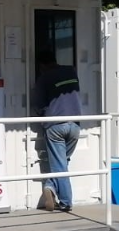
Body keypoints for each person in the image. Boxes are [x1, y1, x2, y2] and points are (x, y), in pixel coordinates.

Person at [33, 50, 82, 212]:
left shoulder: (44, 78)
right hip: (75, 125)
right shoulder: (71, 71)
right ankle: (50, 187)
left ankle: (66, 201)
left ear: (41, 65)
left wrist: (43, 114)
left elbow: (38, 105)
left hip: (55, 126)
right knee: (63, 162)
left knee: (59, 165)